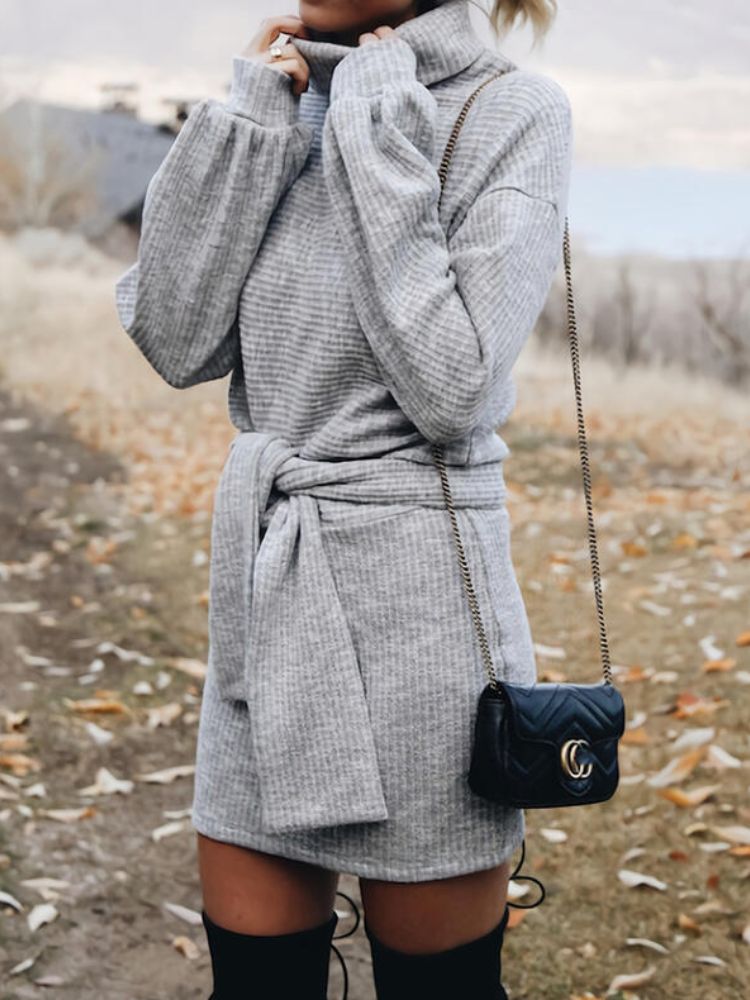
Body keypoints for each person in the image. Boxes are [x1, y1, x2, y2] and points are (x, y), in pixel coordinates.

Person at [114, 0, 571, 996]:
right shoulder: (286, 103)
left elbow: (452, 389)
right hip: (273, 594)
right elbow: (175, 336)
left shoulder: (512, 112)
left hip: (428, 626)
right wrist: (243, 122)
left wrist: (374, 126)